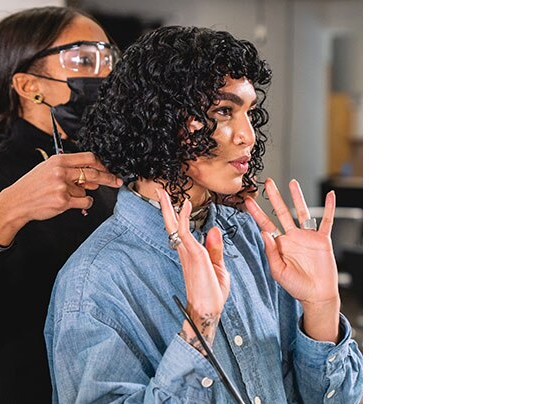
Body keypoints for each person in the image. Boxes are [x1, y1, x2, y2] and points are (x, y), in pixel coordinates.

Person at [45, 26, 362, 403]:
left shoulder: (250, 238)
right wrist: (198, 330)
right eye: (224, 111)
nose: (248, 135)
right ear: (156, 118)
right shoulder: (95, 282)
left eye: (249, 112)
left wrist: (322, 309)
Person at [0, 6, 124, 403]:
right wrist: (3, 216)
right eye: (85, 59)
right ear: (28, 84)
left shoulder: (111, 181)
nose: (105, 74)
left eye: (109, 59)